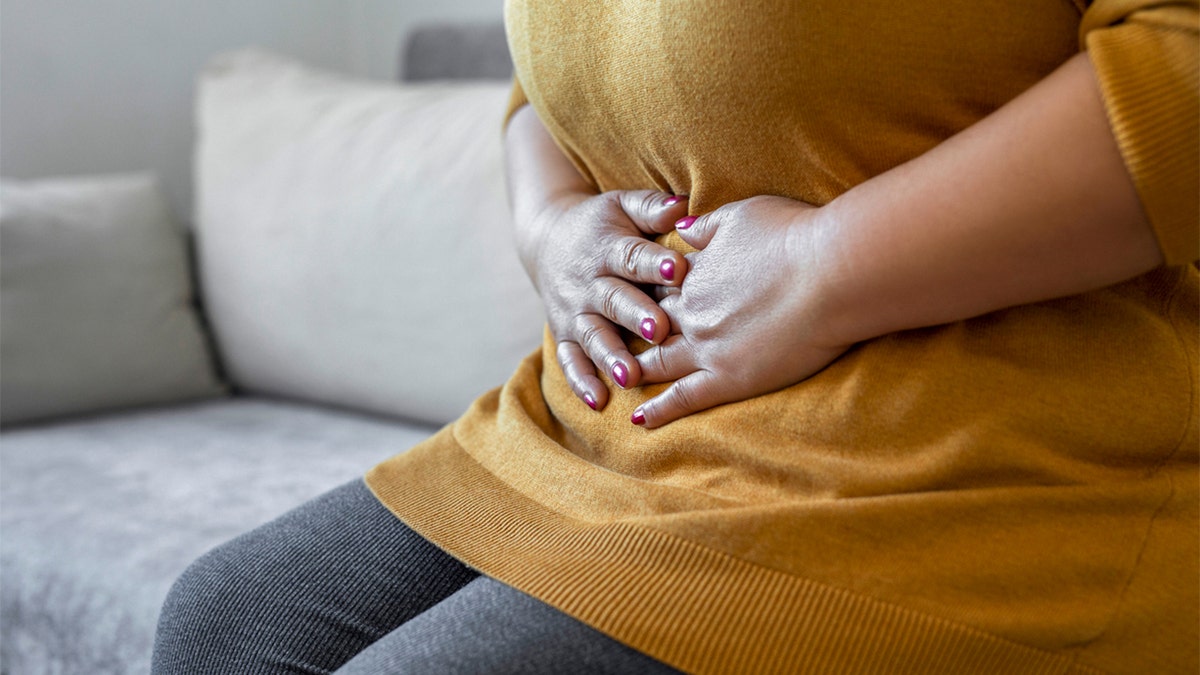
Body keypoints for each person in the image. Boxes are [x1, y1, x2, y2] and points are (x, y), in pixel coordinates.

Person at [153, 0, 1199, 673]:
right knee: (227, 624)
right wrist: (549, 225)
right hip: (602, 432)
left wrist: (822, 270)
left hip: (959, 460)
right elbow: (543, 87)